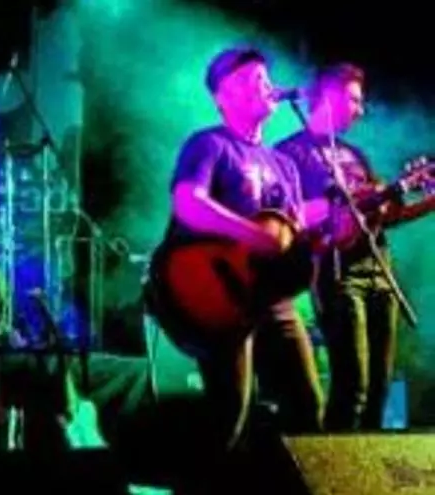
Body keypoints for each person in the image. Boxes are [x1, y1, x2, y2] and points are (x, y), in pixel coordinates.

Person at [150, 47, 327, 461]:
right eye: (251, 80)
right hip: (221, 294)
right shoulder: (209, 144)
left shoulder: (284, 164)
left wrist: (323, 235)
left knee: (307, 405)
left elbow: (292, 232)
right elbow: (188, 202)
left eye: (266, 79)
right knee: (229, 416)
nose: (266, 86)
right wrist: (251, 235)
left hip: (271, 296)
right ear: (222, 97)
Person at [276, 63, 434, 431]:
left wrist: (427, 200)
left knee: (381, 387)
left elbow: (388, 217)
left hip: (379, 269)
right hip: (336, 274)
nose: (360, 110)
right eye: (354, 100)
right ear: (329, 95)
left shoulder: (355, 154)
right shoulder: (289, 152)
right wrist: (332, 213)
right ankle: (334, 462)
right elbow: (289, 217)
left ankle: (371, 462)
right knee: (353, 386)